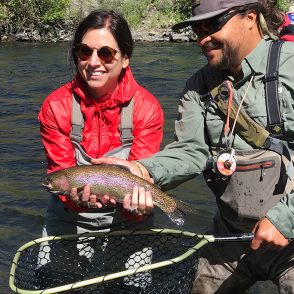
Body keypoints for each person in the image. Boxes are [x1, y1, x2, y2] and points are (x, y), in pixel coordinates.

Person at [94, 0, 294, 293]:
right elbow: (190, 151)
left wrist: (285, 219)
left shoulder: (291, 66)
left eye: (212, 25)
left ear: (250, 18)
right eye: (197, 29)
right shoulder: (198, 86)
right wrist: (142, 169)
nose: (202, 38)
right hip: (230, 238)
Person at [38, 9, 164, 237]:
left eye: (106, 54)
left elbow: (144, 175)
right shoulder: (55, 106)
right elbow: (59, 172)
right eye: (85, 52)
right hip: (68, 218)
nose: (94, 62)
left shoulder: (147, 109)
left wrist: (139, 209)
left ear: (125, 59)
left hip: (130, 221)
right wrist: (76, 201)